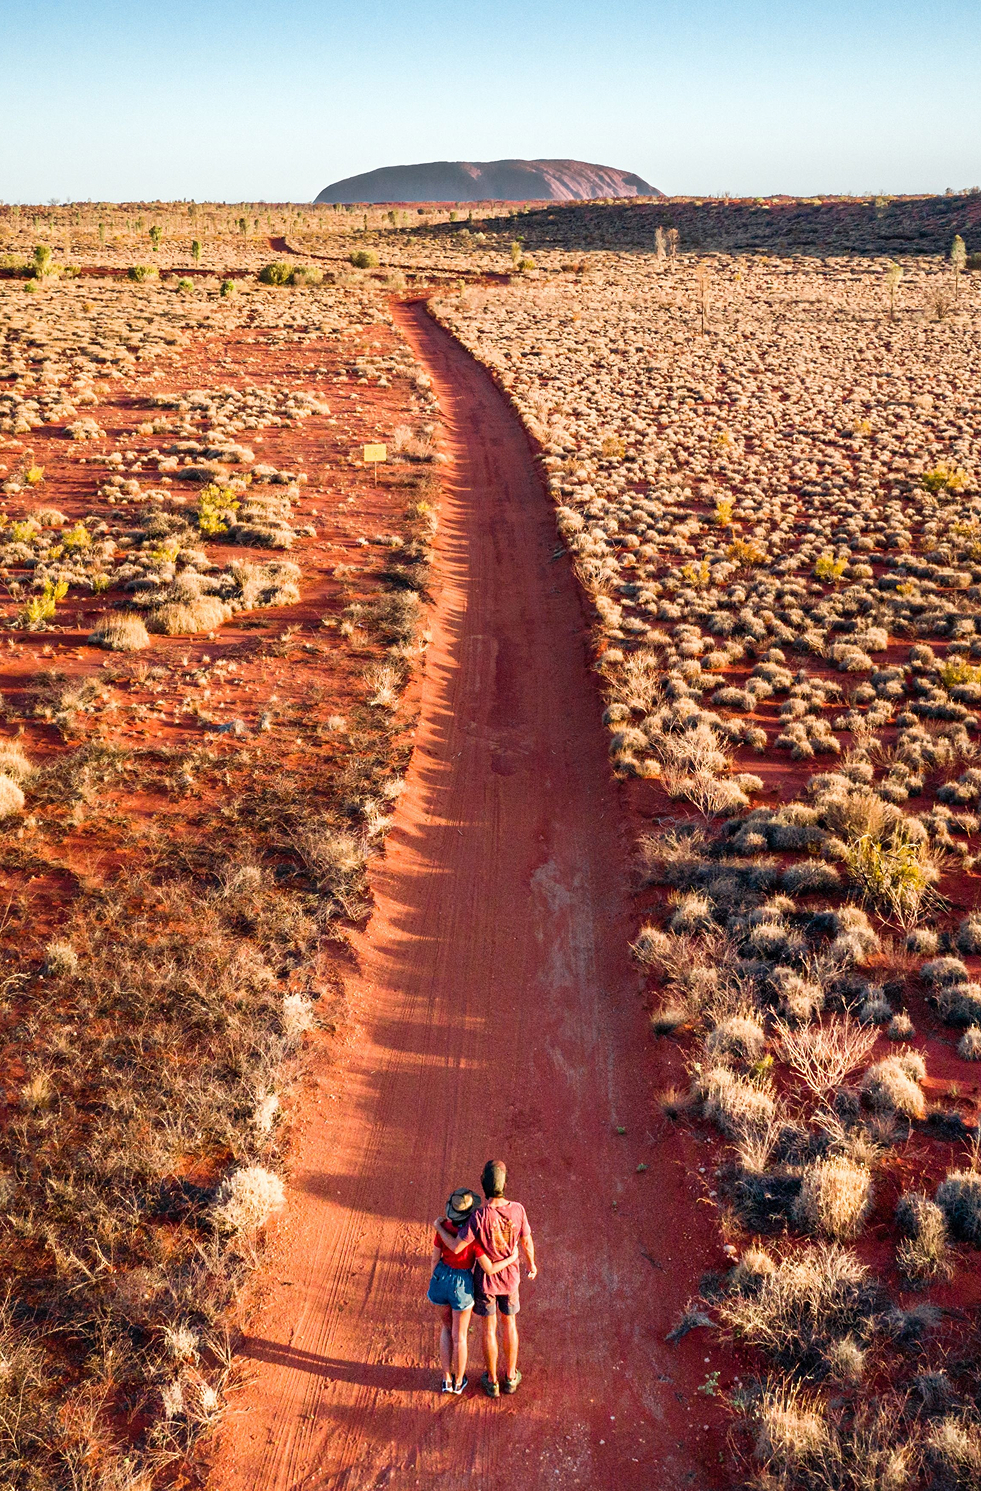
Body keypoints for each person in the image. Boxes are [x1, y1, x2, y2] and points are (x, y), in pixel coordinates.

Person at [435, 1159, 536, 1399]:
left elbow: (457, 1246)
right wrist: (531, 1263)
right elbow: (527, 1242)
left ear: (483, 1185)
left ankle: (492, 1381)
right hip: (510, 1280)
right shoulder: (518, 1210)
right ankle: (510, 1377)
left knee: (489, 1328)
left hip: (486, 1283)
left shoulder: (478, 1216)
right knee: (509, 1324)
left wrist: (439, 1228)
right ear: (505, 1184)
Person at [427, 1186, 519, 1395]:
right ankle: (459, 1382)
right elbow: (489, 1268)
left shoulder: (443, 1229)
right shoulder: (474, 1238)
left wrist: (436, 1279)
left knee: (446, 1329)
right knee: (460, 1337)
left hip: (440, 1279)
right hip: (462, 1285)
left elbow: (435, 1258)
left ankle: (446, 1380)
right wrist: (512, 1258)